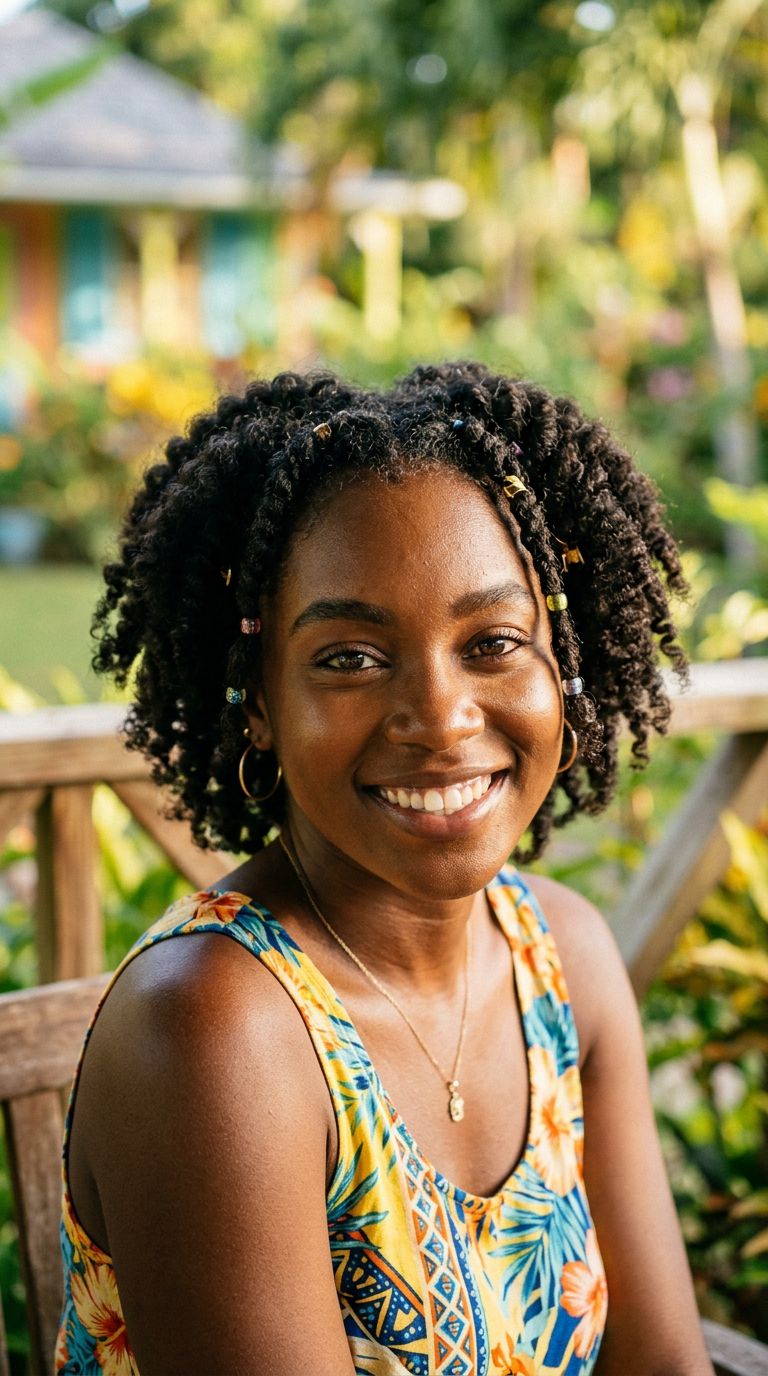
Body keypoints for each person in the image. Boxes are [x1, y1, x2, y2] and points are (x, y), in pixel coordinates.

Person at [56, 361, 715, 1376]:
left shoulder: (563, 958)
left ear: (562, 660)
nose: (442, 716)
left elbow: (664, 1360)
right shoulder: (218, 1030)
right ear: (261, 703)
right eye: (351, 657)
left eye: (494, 640)